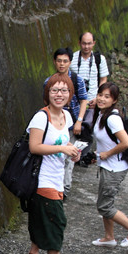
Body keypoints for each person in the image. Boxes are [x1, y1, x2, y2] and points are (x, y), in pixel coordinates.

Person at [26, 73, 82, 254]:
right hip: (42, 177)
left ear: (70, 94)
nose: (59, 94)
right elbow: (34, 147)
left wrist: (71, 151)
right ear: (47, 93)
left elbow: (60, 141)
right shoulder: (41, 117)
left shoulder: (67, 116)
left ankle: (34, 252)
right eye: (55, 90)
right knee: (56, 218)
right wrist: (62, 149)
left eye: (64, 90)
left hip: (58, 174)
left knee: (42, 216)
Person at [89, 82, 128, 248]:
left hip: (114, 169)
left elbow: (126, 142)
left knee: (105, 206)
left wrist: (106, 154)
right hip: (107, 166)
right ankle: (109, 237)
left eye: (107, 97)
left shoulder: (112, 118)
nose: (102, 99)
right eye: (100, 95)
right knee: (106, 203)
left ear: (114, 100)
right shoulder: (102, 114)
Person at [44, 48, 88, 197]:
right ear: (55, 62)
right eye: (59, 61)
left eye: (65, 61)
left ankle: (65, 189)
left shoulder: (77, 80)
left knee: (70, 157)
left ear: (70, 62)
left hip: (72, 123)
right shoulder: (48, 82)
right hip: (55, 123)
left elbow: (83, 100)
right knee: (56, 154)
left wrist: (79, 121)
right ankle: (56, 187)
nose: (62, 64)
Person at [71, 32, 109, 103]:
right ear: (79, 43)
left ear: (94, 43)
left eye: (89, 43)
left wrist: (98, 97)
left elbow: (103, 79)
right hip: (75, 101)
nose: (86, 47)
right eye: (84, 43)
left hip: (93, 100)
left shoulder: (100, 59)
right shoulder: (71, 58)